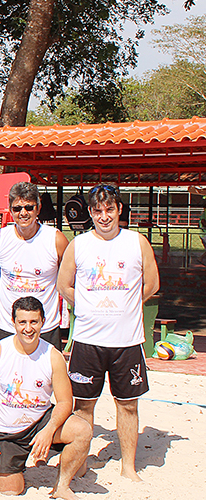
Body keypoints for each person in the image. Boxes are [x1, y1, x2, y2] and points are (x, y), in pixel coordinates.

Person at [57, 184, 159, 481]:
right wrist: (88, 305)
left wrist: (125, 304)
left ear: (119, 210)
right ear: (90, 212)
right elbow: (65, 285)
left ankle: (129, 466)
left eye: (109, 210)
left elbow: (151, 284)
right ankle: (82, 460)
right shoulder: (79, 244)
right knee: (84, 405)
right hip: (88, 340)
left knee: (127, 405)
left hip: (126, 341)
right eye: (98, 211)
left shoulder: (136, 242)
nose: (104, 217)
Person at [0, 297, 93, 500]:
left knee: (82, 430)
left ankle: (62, 486)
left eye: (34, 322)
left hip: (39, 421)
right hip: (6, 430)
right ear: (14, 322)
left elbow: (65, 401)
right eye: (23, 322)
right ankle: (21, 462)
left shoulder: (53, 355)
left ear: (43, 322)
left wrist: (49, 430)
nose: (28, 328)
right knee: (10, 490)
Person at [0, 181, 69, 348]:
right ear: (10, 210)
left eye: (29, 207)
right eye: (17, 208)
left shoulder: (56, 240)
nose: (23, 213)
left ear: (38, 208)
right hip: (6, 326)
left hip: (44, 327)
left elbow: (67, 278)